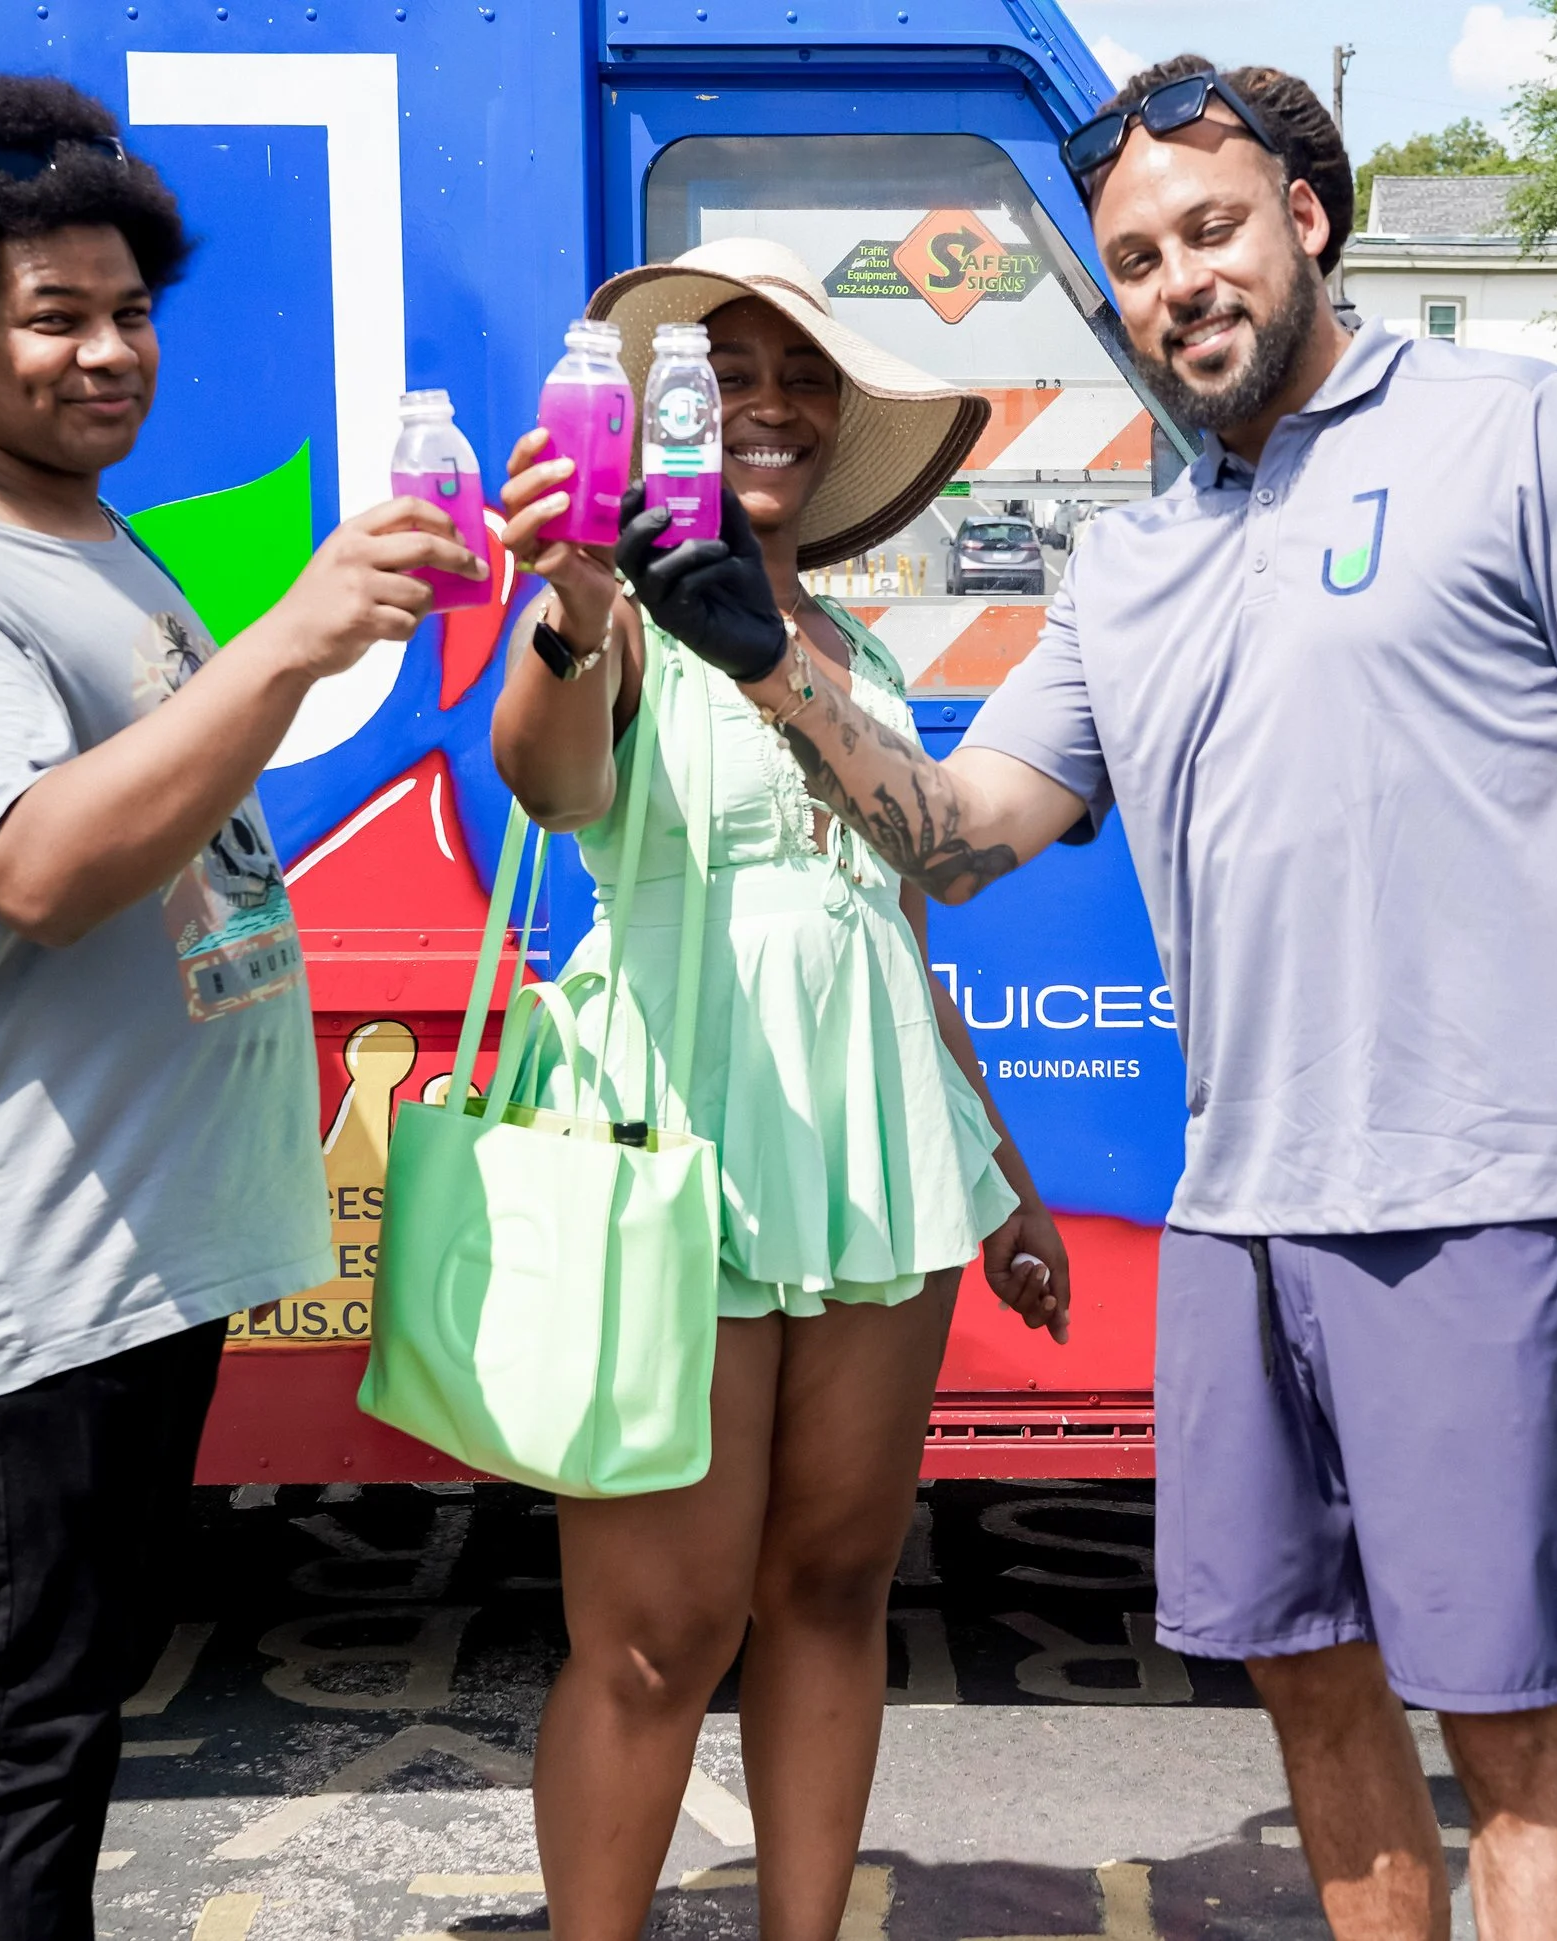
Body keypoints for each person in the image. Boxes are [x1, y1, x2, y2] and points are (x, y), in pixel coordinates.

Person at [607, 60, 1557, 1941]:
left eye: (1214, 229)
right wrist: (770, 668)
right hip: (1233, 1213)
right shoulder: (1131, 561)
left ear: (1307, 218)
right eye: (1140, 259)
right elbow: (957, 832)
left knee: (1506, 1731)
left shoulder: (1519, 430)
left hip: (1475, 1201)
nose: (1181, 282)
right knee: (1308, 1695)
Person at [0, 69, 481, 1941]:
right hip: (16, 1257)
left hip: (111, 1250)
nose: (112, 354)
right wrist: (285, 646)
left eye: (133, 312)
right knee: (28, 1731)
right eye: (56, 319)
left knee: (76, 1707)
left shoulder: (75, 531)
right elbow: (32, 868)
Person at [492, 237, 1069, 1941]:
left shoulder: (848, 648)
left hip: (881, 1151)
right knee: (658, 1632)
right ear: (669, 413)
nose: (771, 406)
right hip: (675, 1127)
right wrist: (571, 606)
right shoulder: (612, 598)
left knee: (831, 1591)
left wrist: (1009, 1172)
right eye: (729, 376)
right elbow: (547, 777)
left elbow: (892, 913)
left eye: (802, 380)